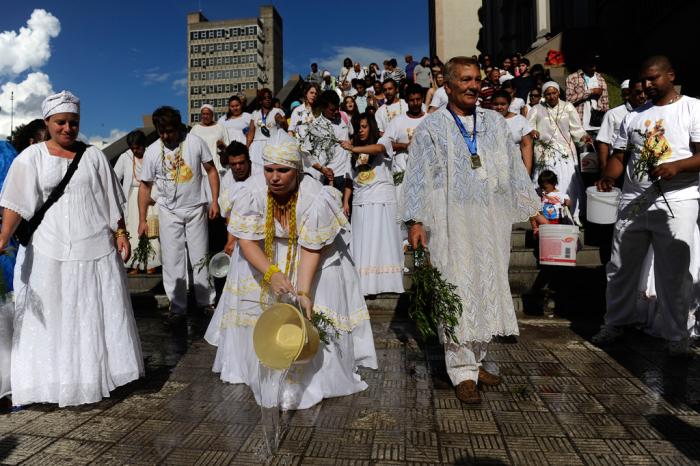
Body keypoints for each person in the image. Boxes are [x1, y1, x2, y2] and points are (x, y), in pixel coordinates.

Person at [204, 132, 378, 409]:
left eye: (283, 170)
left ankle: (316, 371)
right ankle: (256, 363)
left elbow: (312, 248)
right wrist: (270, 273)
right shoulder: (252, 192)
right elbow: (246, 241)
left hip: (313, 254)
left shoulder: (315, 196)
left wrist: (304, 291)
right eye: (270, 170)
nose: (274, 177)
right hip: (266, 251)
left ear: (297, 170)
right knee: (248, 277)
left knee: (312, 303)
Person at [402, 57, 540, 403]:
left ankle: (476, 360)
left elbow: (513, 168)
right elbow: (416, 176)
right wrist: (415, 220)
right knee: (457, 288)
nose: (473, 85)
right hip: (449, 220)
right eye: (464, 80)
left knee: (487, 283)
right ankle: (460, 371)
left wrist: (533, 210)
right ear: (447, 86)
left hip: (489, 218)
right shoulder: (432, 128)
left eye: (476, 79)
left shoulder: (493, 122)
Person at [0, 90, 143, 407]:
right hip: (48, 249)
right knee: (52, 317)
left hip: (93, 246)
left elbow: (110, 200)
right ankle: (49, 381)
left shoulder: (92, 157)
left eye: (73, 123)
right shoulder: (32, 157)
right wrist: (3, 237)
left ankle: (90, 377)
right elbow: (15, 203)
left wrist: (121, 233)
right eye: (61, 122)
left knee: (90, 313)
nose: (68, 128)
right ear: (48, 122)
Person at [592, 56, 700, 355]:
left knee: (675, 270)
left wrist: (677, 167)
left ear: (671, 75)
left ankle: (677, 335)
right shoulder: (633, 115)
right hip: (634, 200)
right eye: (644, 79)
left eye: (654, 78)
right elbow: (619, 157)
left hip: (678, 200)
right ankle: (616, 322)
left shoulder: (693, 108)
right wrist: (609, 178)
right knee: (619, 266)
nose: (647, 85)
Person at [139, 106, 219, 323]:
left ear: (178, 127)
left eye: (170, 131)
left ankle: (206, 302)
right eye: (161, 131)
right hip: (168, 210)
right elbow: (145, 187)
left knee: (199, 255)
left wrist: (215, 201)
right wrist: (142, 219)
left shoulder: (195, 142)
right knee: (173, 259)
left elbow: (211, 171)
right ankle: (177, 306)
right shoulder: (152, 151)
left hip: (195, 208)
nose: (166, 136)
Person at [340, 114, 404, 295]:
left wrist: (354, 148)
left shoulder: (384, 140)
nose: (360, 130)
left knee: (382, 241)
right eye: (357, 127)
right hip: (361, 200)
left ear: (371, 127)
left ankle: (387, 284)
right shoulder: (352, 152)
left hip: (382, 199)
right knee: (364, 243)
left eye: (363, 126)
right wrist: (346, 201)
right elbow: (348, 179)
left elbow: (377, 149)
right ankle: (365, 285)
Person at [528, 81, 591, 221]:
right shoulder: (536, 109)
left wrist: (584, 136)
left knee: (567, 179)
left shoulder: (568, 107)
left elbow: (576, 128)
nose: (551, 96)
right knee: (546, 179)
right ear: (544, 95)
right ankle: (543, 214)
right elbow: (529, 127)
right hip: (544, 151)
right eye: (548, 94)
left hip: (564, 151)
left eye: (554, 93)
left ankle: (569, 212)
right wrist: (533, 132)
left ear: (558, 93)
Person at [113, 130, 161, 273]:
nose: (135, 150)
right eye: (132, 148)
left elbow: (158, 177)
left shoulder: (151, 154)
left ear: (143, 145)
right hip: (132, 197)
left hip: (150, 196)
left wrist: (154, 196)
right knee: (133, 230)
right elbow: (115, 177)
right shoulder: (125, 157)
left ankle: (151, 263)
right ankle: (134, 263)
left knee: (151, 229)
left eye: (138, 147)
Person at [381, 84, 427, 202]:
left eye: (418, 99)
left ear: (422, 99)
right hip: (403, 171)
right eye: (412, 100)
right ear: (406, 101)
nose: (415, 103)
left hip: (425, 172)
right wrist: (404, 146)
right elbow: (384, 144)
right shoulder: (398, 121)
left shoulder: (430, 119)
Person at [303, 90, 352, 192]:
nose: (336, 112)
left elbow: (352, 134)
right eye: (332, 110)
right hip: (328, 177)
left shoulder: (344, 116)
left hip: (346, 174)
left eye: (337, 108)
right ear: (323, 108)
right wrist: (322, 169)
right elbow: (306, 153)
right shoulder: (315, 126)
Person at [596, 78, 647, 173]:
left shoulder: (650, 113)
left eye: (645, 92)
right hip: (617, 163)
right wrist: (603, 167)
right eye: (638, 93)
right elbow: (603, 141)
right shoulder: (613, 114)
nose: (643, 96)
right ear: (629, 93)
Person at [218, 141, 252, 256]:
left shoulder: (261, 174)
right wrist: (231, 241)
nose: (238, 167)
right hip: (237, 223)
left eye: (241, 163)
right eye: (233, 164)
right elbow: (228, 213)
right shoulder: (227, 180)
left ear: (249, 161)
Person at [491, 90, 534, 175]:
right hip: (493, 169)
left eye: (503, 104)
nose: (499, 107)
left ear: (509, 104)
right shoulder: (485, 120)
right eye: (495, 104)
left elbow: (526, 146)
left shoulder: (520, 120)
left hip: (514, 168)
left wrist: (527, 172)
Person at [247, 88, 288, 174]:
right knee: (256, 171)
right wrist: (246, 147)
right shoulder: (255, 113)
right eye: (265, 98)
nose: (267, 99)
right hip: (257, 145)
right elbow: (251, 133)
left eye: (269, 97)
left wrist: (281, 121)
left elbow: (286, 128)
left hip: (273, 143)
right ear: (260, 100)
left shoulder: (278, 111)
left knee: (271, 169)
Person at [565, 55, 609, 134]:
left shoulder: (600, 79)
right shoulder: (572, 78)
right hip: (579, 125)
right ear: (585, 64)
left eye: (595, 65)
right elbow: (569, 100)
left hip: (598, 126)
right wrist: (590, 91)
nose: (594, 68)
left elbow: (605, 104)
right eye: (591, 65)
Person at [191, 104, 229, 175]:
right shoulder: (195, 129)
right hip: (200, 167)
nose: (205, 116)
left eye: (208, 114)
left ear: (212, 115)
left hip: (217, 166)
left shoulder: (220, 127)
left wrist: (222, 147)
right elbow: (190, 148)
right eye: (203, 114)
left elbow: (228, 147)